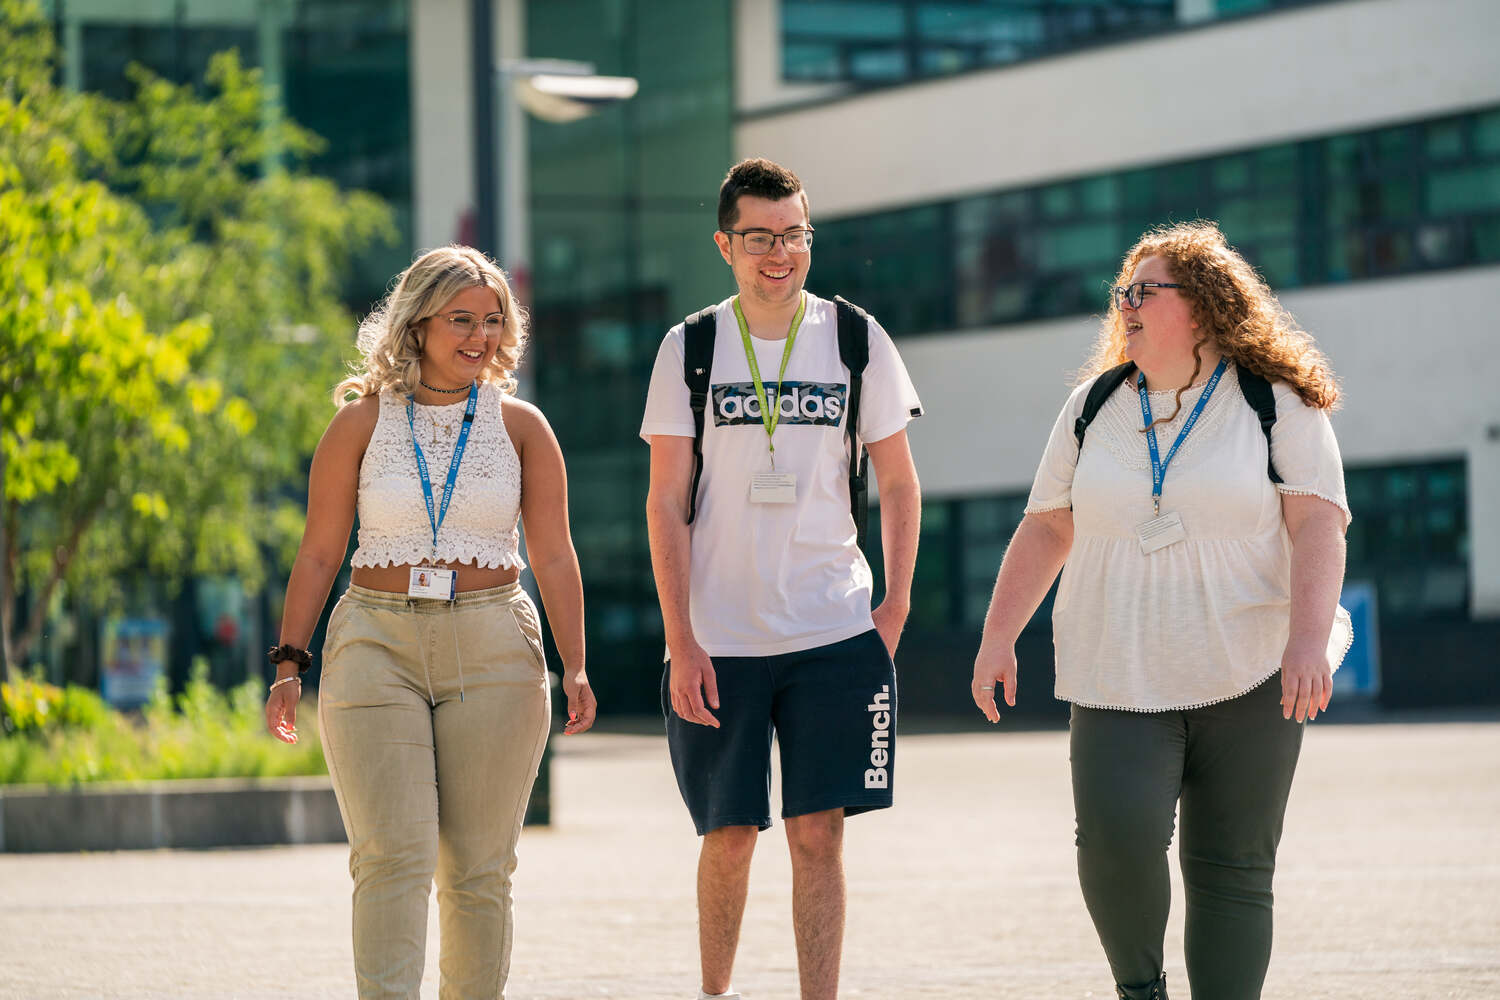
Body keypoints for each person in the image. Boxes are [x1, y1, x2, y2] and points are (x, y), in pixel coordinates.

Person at [971, 221, 1351, 1000]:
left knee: (1233, 867)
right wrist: (997, 634)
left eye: (1147, 291)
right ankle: (1140, 990)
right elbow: (1047, 524)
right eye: (1124, 292)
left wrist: (1308, 641)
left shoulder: (1274, 403)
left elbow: (1318, 523)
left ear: (1205, 307)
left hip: (1252, 673)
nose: (1128, 305)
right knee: (1115, 843)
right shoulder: (1092, 405)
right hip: (1116, 672)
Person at [263, 245, 595, 999]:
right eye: (459, 320)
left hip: (494, 646)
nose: (478, 337)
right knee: (391, 856)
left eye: (491, 320)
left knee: (479, 868)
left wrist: (573, 663)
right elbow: (318, 554)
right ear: (416, 324)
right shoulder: (359, 423)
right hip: (375, 642)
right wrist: (289, 663)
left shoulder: (522, 426)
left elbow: (555, 552)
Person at [642, 158, 923, 1000]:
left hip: (833, 629)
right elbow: (665, 504)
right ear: (725, 244)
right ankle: (716, 992)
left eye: (794, 234)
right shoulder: (691, 346)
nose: (780, 253)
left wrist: (896, 604)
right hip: (720, 637)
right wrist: (680, 639)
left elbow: (900, 482)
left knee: (817, 834)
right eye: (760, 237)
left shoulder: (855, 338)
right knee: (728, 835)